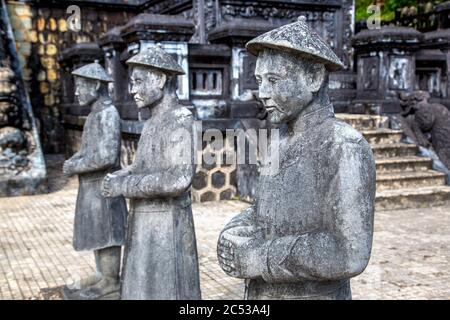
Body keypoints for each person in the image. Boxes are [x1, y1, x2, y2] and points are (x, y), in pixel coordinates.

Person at [217, 17, 376, 300]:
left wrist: (260, 258)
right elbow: (265, 209)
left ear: (313, 77)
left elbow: (349, 252)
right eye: (259, 81)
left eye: (274, 80)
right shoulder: (278, 140)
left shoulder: (343, 146)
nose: (263, 93)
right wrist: (236, 230)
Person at [101, 45, 201, 300]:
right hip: (143, 219)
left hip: (167, 223)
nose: (132, 89)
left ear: (159, 79)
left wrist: (126, 186)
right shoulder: (151, 122)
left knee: (167, 289)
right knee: (141, 287)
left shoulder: (181, 119)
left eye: (138, 81)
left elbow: (179, 179)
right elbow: (141, 165)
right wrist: (120, 176)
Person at [63, 61, 128, 299]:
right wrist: (75, 159)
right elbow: (87, 150)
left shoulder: (108, 114)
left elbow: (106, 156)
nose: (77, 91)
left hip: (104, 187)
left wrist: (75, 165)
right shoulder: (95, 114)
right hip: (91, 187)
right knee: (97, 233)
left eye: (81, 85)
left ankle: (111, 281)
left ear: (96, 85)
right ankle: (103, 275)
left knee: (108, 233)